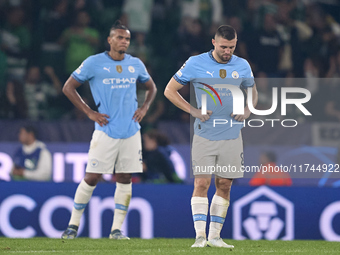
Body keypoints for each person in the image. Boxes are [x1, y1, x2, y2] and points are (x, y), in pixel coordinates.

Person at [61, 20, 157, 239]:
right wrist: (89, 112)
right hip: (105, 130)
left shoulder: (136, 64)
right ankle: (73, 226)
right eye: (120, 37)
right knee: (92, 177)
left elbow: (151, 87)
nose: (124, 42)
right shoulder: (94, 63)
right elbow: (68, 87)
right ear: (110, 39)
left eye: (127, 39)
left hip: (131, 130)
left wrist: (144, 108)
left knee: (124, 177)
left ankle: (116, 230)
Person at [164, 25, 258, 248]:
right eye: (224, 47)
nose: (228, 52)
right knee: (202, 182)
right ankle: (200, 237)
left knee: (224, 184)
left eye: (232, 48)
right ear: (213, 42)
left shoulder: (242, 65)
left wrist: (247, 110)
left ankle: (215, 237)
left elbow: (253, 92)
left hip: (232, 134)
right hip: (205, 134)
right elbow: (169, 90)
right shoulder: (195, 63)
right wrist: (193, 111)